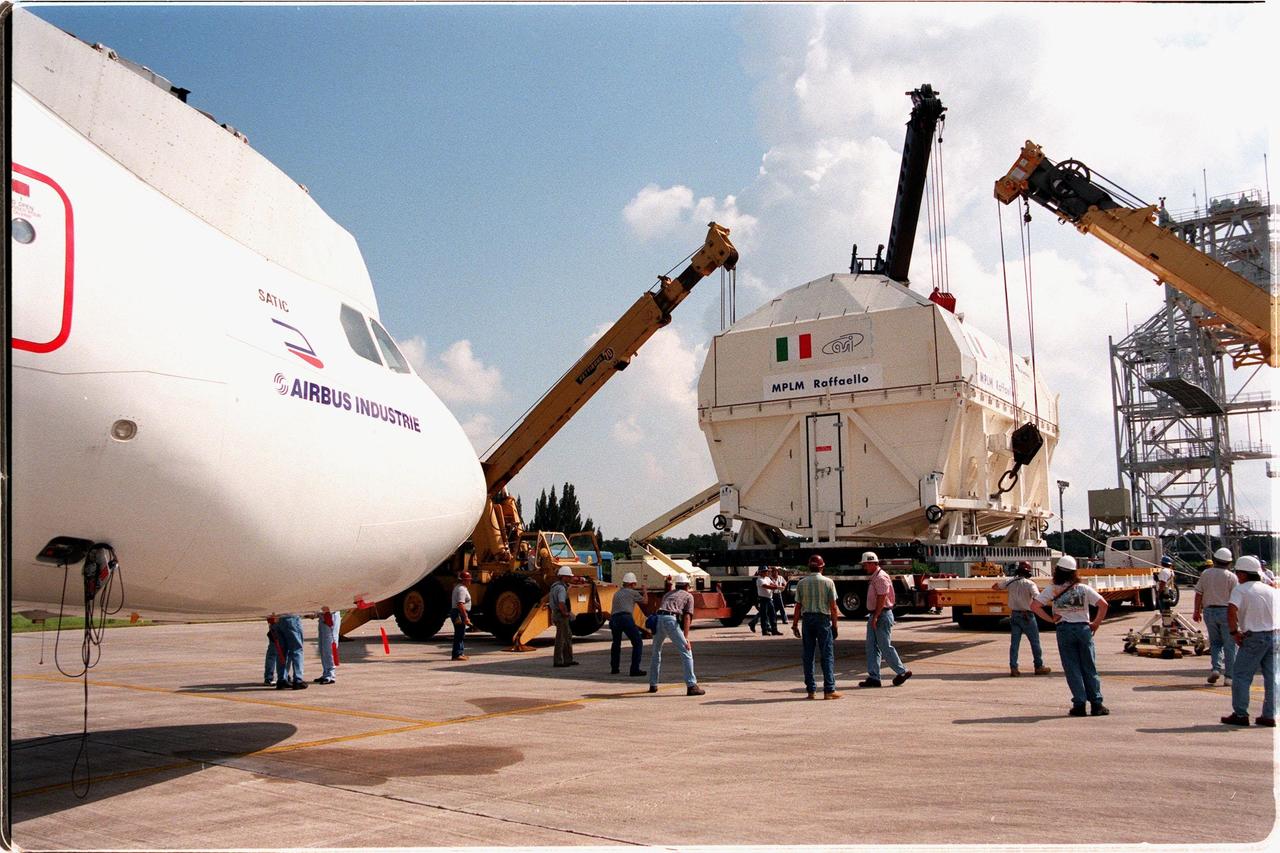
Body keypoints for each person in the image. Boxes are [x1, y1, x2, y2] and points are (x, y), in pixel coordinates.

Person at [1031, 556, 1107, 717]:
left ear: (1057, 571)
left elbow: (1035, 605)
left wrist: (1051, 620)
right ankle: (1096, 704)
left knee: (1072, 668)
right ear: (1074, 573)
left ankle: (1079, 705)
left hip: (1064, 629)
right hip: (1083, 629)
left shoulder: (1053, 589)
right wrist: (1096, 623)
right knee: (1089, 666)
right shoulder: (1083, 589)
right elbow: (1103, 605)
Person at [1221, 556, 1278, 727]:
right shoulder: (1270, 589)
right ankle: (1269, 715)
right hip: (1275, 635)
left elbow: (1231, 611)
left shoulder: (1241, 589)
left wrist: (1234, 632)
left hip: (1254, 637)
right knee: (1273, 677)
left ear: (1243, 574)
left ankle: (1240, 714)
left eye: (1238, 572)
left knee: (1241, 675)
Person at [858, 551, 912, 688]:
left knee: (884, 646)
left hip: (881, 614)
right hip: (876, 614)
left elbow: (882, 598)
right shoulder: (875, 576)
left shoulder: (881, 577)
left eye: (865, 565)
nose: (864, 567)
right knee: (872, 647)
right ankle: (874, 677)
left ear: (871, 563)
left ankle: (902, 671)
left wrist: (876, 616)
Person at [791, 554, 840, 699]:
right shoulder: (828, 583)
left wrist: (794, 625)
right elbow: (833, 607)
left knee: (808, 655)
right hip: (823, 619)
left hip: (807, 620)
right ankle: (829, 690)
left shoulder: (802, 583)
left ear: (809, 567)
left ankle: (811, 690)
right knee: (827, 655)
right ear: (822, 567)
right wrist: (835, 625)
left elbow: (797, 607)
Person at [648, 573, 705, 696]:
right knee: (686, 652)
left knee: (656, 652)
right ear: (687, 585)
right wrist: (686, 638)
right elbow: (687, 617)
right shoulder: (688, 596)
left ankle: (653, 684)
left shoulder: (668, 594)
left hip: (658, 619)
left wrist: (668, 584)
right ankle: (691, 685)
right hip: (670, 620)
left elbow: (667, 597)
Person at [992, 562, 1050, 676]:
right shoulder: (1030, 584)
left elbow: (995, 587)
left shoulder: (1010, 582)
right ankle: (1038, 666)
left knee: (1014, 643)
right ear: (1028, 572)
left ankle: (1014, 668)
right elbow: (1038, 598)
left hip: (1014, 615)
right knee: (1035, 642)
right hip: (1027, 616)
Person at [1193, 547, 1239, 686]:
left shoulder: (1206, 573)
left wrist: (1196, 611)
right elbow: (1236, 598)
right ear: (1229, 562)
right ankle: (1229, 677)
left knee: (1215, 643)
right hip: (1226, 612)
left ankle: (1215, 668)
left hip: (1209, 612)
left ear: (1215, 560)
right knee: (1230, 645)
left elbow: (1199, 593)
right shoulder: (1231, 576)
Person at [609, 572, 647, 676]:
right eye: (634, 584)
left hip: (614, 618)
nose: (635, 586)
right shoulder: (632, 592)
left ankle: (614, 668)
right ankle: (634, 669)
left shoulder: (617, 593)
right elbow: (645, 601)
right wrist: (644, 591)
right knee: (637, 642)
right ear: (631, 584)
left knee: (616, 643)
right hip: (626, 618)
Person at [549, 565, 578, 667]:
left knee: (567, 636)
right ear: (563, 577)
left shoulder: (555, 586)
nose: (570, 578)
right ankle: (559, 661)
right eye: (569, 576)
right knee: (561, 639)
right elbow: (561, 603)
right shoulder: (561, 589)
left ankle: (567, 659)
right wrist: (566, 613)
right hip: (561, 616)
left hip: (557, 614)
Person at [276, 613, 308, 689]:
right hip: (291, 617)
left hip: (279, 619)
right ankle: (298, 679)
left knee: (282, 651)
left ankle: (282, 679)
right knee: (297, 650)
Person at [746, 566, 778, 635]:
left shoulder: (767, 578)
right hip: (763, 599)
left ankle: (774, 629)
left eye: (767, 571)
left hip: (769, 599)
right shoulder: (759, 579)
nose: (767, 572)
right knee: (764, 615)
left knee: (772, 615)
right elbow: (766, 586)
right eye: (765, 571)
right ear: (761, 572)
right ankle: (765, 630)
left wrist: (774, 586)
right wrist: (775, 587)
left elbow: (772, 584)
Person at [450, 571, 473, 661]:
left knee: (460, 633)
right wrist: (465, 617)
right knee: (459, 634)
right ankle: (457, 654)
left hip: (458, 612)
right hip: (459, 613)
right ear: (464, 580)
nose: (470, 581)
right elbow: (460, 604)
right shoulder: (461, 589)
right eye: (468, 580)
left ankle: (460, 653)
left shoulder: (459, 588)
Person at [314, 607, 339, 684]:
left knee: (328, 647)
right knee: (322, 648)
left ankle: (331, 675)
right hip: (323, 615)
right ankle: (326, 673)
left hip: (330, 614)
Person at [264, 614, 286, 686]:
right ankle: (269, 677)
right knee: (273, 652)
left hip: (282, 624)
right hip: (276, 624)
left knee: (282, 652)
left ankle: (284, 676)